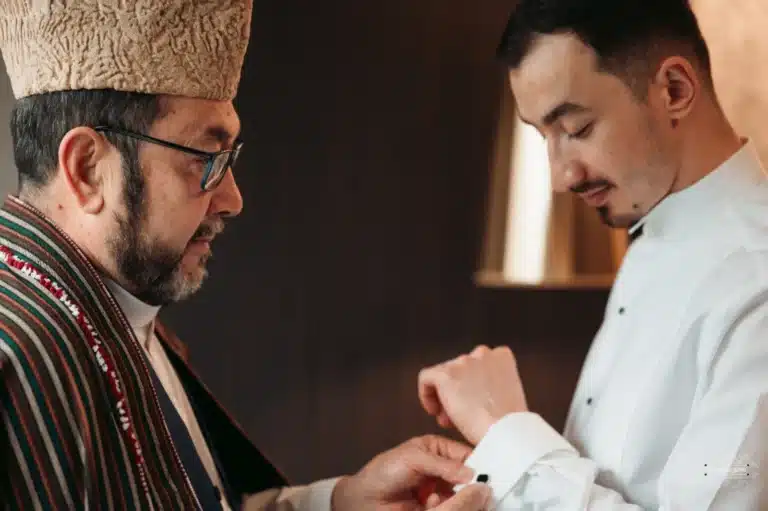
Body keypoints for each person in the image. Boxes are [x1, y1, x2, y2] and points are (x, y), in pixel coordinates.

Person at [0, 1, 492, 510]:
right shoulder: (18, 358)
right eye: (203, 161)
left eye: (228, 160)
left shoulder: (123, 313)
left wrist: (343, 502)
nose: (233, 199)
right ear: (87, 169)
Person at [417, 0, 768, 509]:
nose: (561, 177)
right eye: (543, 135)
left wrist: (506, 432)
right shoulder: (654, 224)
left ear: (674, 91)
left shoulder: (757, 281)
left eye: (577, 129)